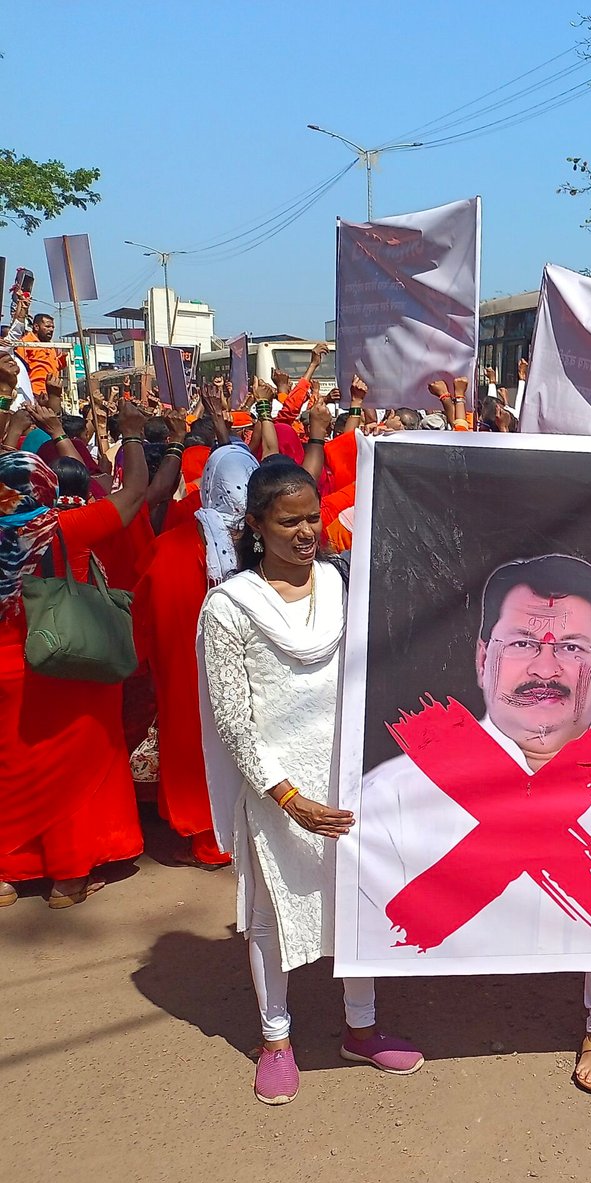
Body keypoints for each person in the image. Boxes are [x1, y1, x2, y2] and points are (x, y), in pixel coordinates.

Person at [356, 553, 591, 1095]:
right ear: (482, 658)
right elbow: (384, 931)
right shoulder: (394, 795)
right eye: (522, 643)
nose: (545, 669)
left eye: (571, 647)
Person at [198, 458, 423, 1104]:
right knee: (270, 915)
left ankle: (362, 1028)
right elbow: (233, 719)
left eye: (312, 519)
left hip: (346, 774)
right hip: (277, 785)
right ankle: (276, 1040)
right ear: (255, 525)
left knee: (358, 899)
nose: (305, 533)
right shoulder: (228, 607)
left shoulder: (344, 584)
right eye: (288, 522)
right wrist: (288, 798)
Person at [0, 401, 152, 908]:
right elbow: (134, 494)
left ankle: (8, 874)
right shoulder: (65, 528)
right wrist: (132, 434)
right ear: (44, 489)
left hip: (6, 675)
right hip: (66, 664)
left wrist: (13, 433)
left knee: (11, 768)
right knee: (71, 770)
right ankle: (67, 878)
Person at [134, 443, 261, 867]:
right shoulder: (266, 542)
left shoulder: (170, 546)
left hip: (185, 669)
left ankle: (208, 839)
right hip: (250, 669)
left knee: (194, 737)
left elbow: (144, 615)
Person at [16, 313, 65, 403]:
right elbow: (20, 369)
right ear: (36, 327)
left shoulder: (50, 345)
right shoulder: (25, 343)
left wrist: (65, 358)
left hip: (51, 394)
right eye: (47, 326)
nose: (51, 330)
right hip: (34, 395)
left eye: (53, 327)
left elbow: (55, 366)